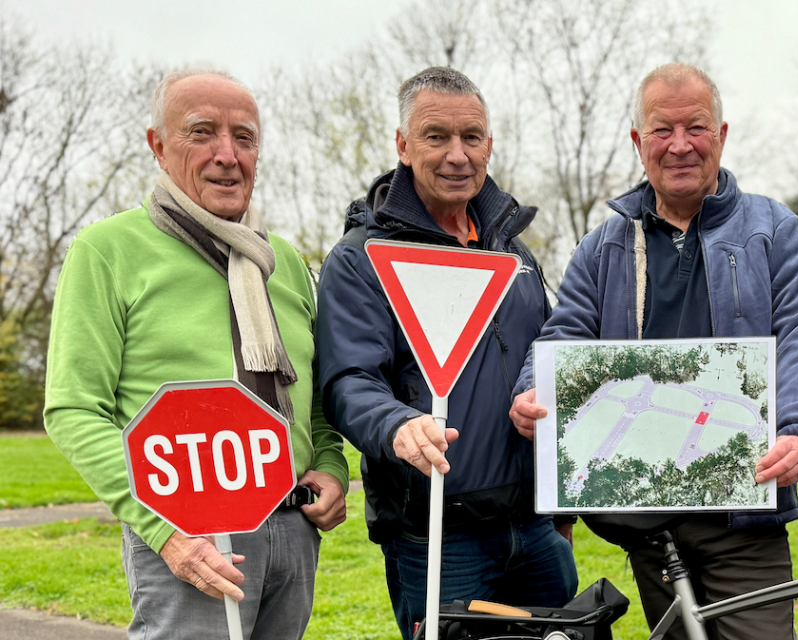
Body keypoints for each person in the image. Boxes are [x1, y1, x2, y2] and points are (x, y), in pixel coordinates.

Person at [510, 63, 798, 640]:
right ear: (639, 142)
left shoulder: (775, 231)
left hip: (744, 515)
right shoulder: (602, 246)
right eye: (662, 130)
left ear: (722, 135)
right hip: (646, 517)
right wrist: (535, 390)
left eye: (696, 127)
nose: (680, 145)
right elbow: (564, 335)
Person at [43, 69, 349, 640]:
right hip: (188, 534)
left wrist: (332, 467)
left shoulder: (283, 260)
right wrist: (167, 533)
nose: (227, 155)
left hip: (293, 530)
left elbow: (315, 400)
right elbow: (74, 410)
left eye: (244, 137)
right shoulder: (107, 250)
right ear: (158, 146)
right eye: (202, 132)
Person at [315, 66, 575, 640]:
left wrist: (561, 508)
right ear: (403, 145)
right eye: (436, 137)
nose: (458, 155)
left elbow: (548, 359)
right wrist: (396, 425)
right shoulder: (361, 259)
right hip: (437, 534)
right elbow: (348, 380)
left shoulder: (515, 253)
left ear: (489, 145)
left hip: (535, 529)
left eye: (472, 137)